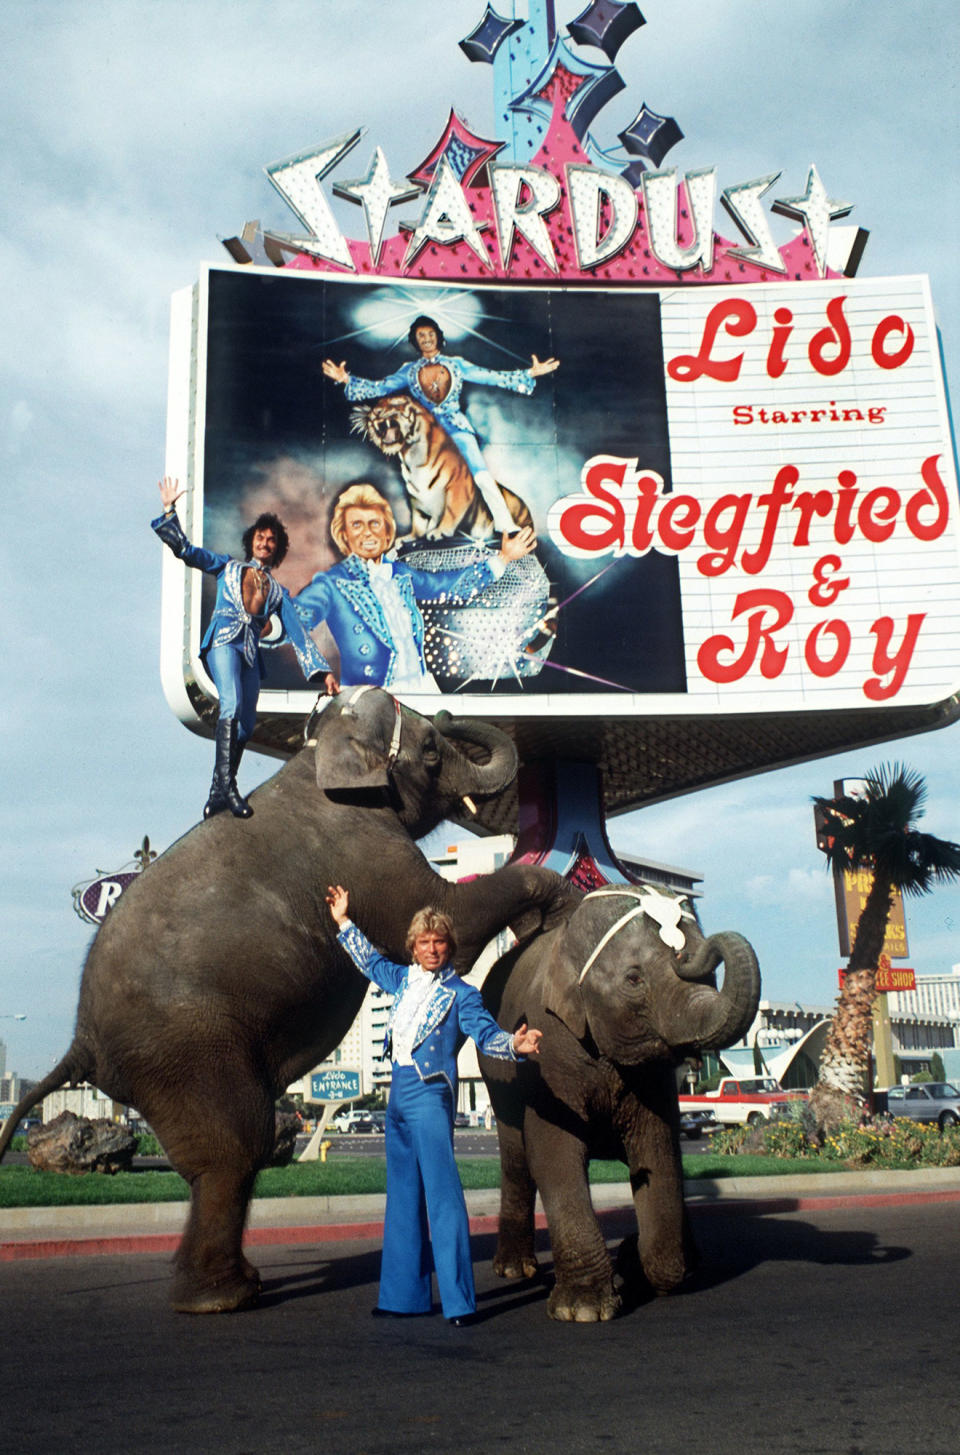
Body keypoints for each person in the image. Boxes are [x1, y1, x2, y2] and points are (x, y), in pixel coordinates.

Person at [325, 884, 542, 1325]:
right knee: (402, 1196)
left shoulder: (462, 994)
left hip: (430, 1094)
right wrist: (344, 921)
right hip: (397, 1095)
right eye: (423, 942)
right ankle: (402, 1297)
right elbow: (370, 961)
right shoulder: (403, 980)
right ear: (414, 946)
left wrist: (514, 1045)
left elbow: (486, 1035)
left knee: (442, 1197)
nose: (431, 948)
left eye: (438, 941)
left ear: (449, 946)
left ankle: (461, 1302)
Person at [152, 476, 336, 819]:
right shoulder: (227, 566)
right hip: (223, 642)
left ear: (276, 549)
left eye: (271, 540)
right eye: (260, 537)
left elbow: (298, 634)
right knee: (231, 705)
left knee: (246, 726)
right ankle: (230, 787)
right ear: (250, 541)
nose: (265, 543)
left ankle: (216, 792)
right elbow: (187, 552)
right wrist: (168, 509)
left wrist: (323, 672)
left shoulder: (278, 592)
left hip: (250, 653)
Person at [322, 315, 559, 535]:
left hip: (456, 428)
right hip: (428, 434)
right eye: (421, 336)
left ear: (438, 336)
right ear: (415, 341)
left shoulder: (457, 364)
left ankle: (505, 524)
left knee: (481, 476)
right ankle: (429, 529)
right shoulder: (409, 370)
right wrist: (346, 379)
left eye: (430, 334)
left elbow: (491, 376)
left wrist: (530, 373)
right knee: (422, 481)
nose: (426, 339)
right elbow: (380, 386)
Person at [292, 483, 537, 691]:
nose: (367, 532)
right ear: (344, 535)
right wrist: (316, 668)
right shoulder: (333, 583)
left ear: (387, 529)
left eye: (375, 523)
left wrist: (503, 558)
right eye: (357, 525)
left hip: (418, 692)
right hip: (368, 703)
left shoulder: (401, 575)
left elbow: (448, 586)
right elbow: (293, 620)